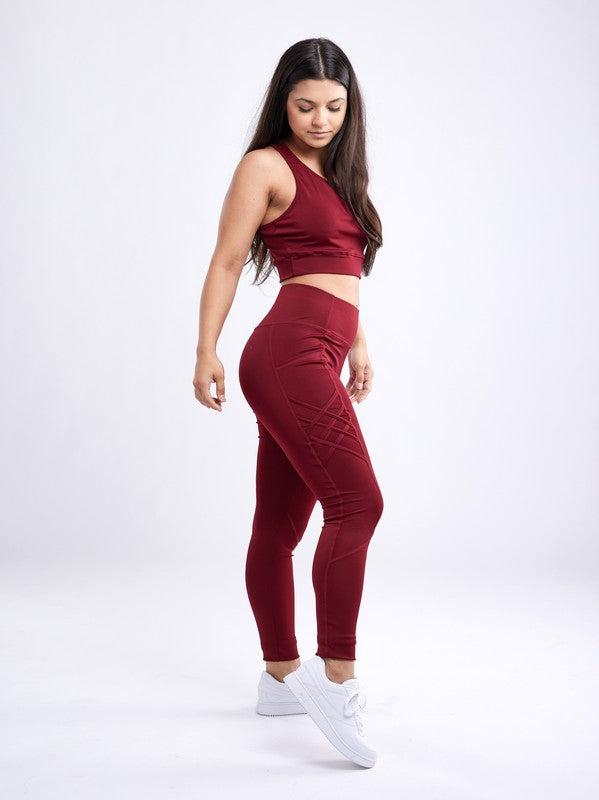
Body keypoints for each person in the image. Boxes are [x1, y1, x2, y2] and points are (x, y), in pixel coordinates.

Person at [192, 37, 384, 769]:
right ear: (283, 102)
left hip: (322, 355)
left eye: (334, 107)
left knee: (279, 524)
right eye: (305, 106)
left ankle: (279, 679)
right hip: (284, 354)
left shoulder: (337, 176)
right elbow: (227, 259)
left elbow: (338, 270)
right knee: (358, 505)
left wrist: (358, 344)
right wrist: (204, 349)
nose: (320, 119)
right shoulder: (263, 166)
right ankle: (335, 677)